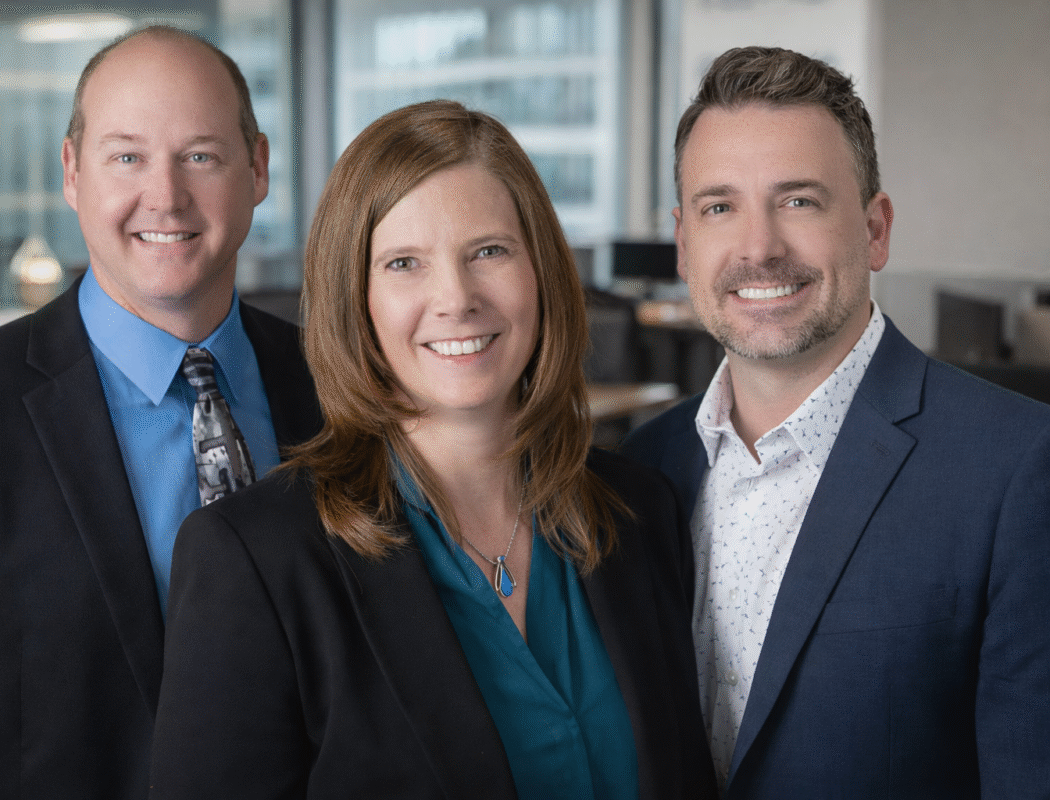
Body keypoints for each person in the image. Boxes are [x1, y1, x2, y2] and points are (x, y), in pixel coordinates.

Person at [148, 99, 717, 799]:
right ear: (355, 301)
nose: (455, 297)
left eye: (489, 251)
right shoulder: (256, 560)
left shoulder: (643, 513)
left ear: (540, 271)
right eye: (404, 263)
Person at [0, 25, 321, 800]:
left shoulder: (341, 388)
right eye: (126, 156)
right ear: (72, 173)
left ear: (259, 169)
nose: (164, 196)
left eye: (200, 155)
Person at [621, 45, 1050, 798]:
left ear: (876, 229)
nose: (759, 247)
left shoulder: (1017, 469)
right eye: (721, 206)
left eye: (799, 200)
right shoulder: (644, 467)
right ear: (685, 245)